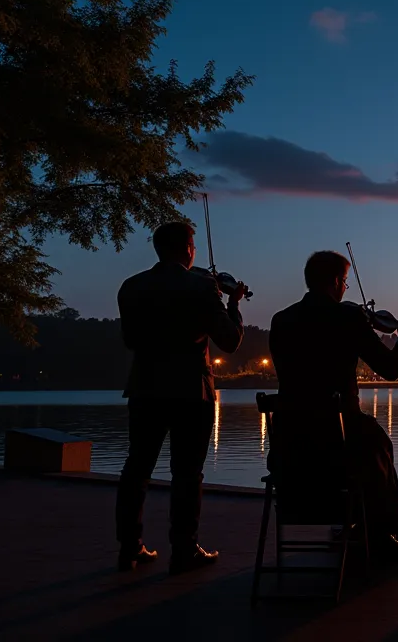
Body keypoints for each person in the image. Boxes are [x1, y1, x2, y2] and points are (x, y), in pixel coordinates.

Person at [268, 251, 398, 564]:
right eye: (345, 283)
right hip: (338, 431)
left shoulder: (281, 320)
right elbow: (390, 368)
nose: (344, 289)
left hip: (290, 440)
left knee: (370, 444)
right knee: (379, 446)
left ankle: (353, 529)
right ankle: (381, 537)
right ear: (336, 281)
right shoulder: (347, 318)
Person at [116, 221, 245, 573]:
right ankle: (184, 549)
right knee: (187, 473)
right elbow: (230, 341)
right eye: (193, 244)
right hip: (191, 391)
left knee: (136, 469)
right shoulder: (202, 286)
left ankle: (129, 547)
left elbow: (131, 341)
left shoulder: (131, 287)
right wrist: (232, 304)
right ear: (187, 248)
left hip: (145, 389)